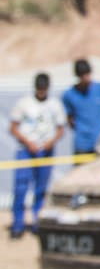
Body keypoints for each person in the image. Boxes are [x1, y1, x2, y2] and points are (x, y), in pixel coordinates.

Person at [8, 73, 66, 238]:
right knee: (20, 188)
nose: (41, 92)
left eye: (44, 89)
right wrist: (28, 142)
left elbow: (61, 128)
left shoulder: (55, 104)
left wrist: (50, 142)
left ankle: (37, 223)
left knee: (41, 189)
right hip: (25, 150)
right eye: (39, 89)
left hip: (46, 151)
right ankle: (17, 225)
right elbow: (13, 127)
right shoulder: (24, 103)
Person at [62, 58, 100, 155]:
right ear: (78, 76)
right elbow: (70, 119)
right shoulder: (69, 95)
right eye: (83, 75)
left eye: (87, 74)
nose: (86, 78)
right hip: (82, 144)